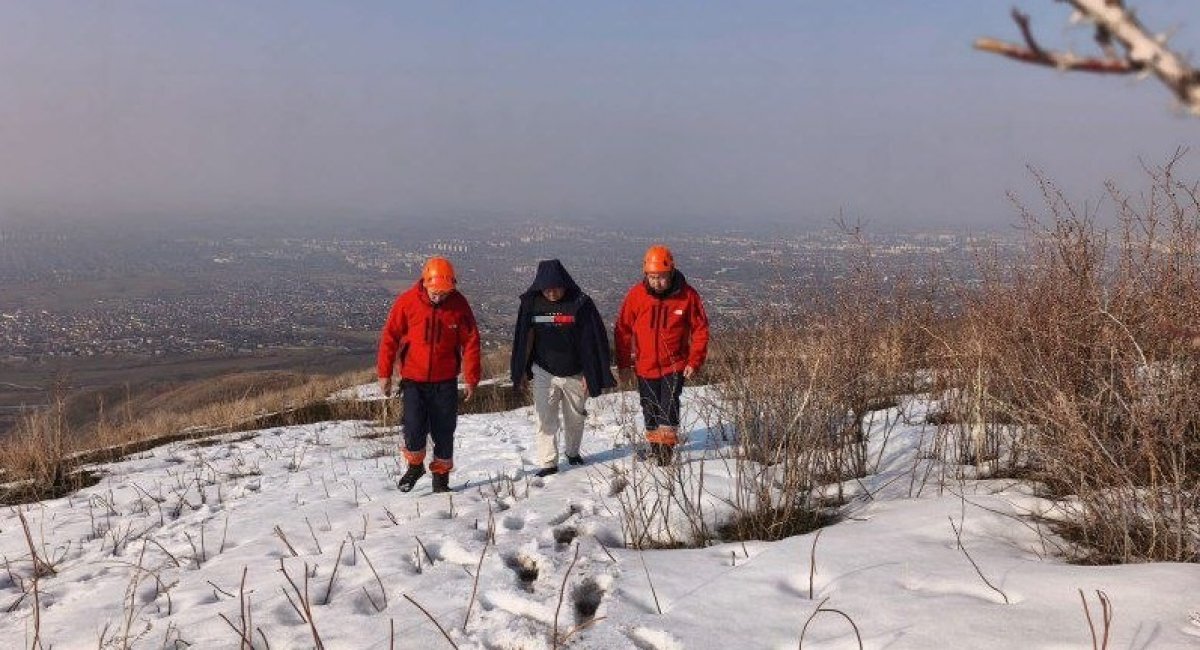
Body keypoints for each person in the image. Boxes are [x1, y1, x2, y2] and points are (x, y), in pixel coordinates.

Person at [378, 256, 481, 493]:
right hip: (413, 381)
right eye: (435, 291)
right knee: (413, 428)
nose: (438, 296)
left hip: (445, 382)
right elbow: (390, 337)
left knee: (444, 431)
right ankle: (415, 466)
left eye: (444, 292)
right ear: (425, 282)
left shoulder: (459, 305)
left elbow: (472, 341)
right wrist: (385, 374)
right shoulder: (407, 302)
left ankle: (441, 479)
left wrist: (471, 376)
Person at [511, 259, 616, 477]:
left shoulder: (580, 303)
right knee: (544, 417)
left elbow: (593, 340)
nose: (552, 293)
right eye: (547, 289)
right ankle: (548, 463)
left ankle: (573, 453)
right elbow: (525, 338)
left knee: (575, 417)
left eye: (556, 288)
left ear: (565, 284)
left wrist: (591, 371)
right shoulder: (532, 304)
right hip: (544, 370)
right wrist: (521, 369)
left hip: (575, 371)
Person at [614, 245, 710, 466]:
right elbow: (623, 331)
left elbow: (700, 329)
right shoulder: (636, 296)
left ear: (672, 272)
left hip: (674, 365)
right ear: (645, 274)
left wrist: (695, 360)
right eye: (652, 277)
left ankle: (664, 455)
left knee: (668, 406)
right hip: (645, 367)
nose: (657, 282)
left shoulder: (688, 296)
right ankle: (655, 447)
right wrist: (624, 365)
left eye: (662, 277)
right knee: (649, 407)